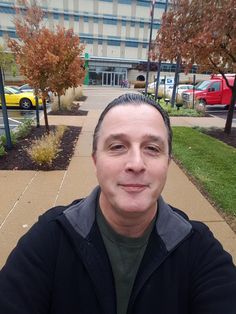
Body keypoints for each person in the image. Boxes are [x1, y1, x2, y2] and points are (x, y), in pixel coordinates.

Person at [0, 93, 235, 314]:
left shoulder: (198, 250)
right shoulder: (50, 239)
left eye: (152, 148)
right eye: (117, 146)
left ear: (167, 163)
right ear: (95, 161)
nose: (136, 163)